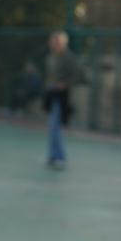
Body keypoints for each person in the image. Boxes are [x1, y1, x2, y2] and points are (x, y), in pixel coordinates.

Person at [41, 31, 84, 170]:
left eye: (56, 42)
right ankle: (53, 155)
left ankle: (60, 157)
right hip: (52, 94)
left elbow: (78, 75)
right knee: (52, 126)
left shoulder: (69, 58)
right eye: (52, 42)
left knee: (56, 126)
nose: (53, 44)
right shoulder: (50, 57)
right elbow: (49, 76)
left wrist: (65, 84)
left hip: (64, 96)